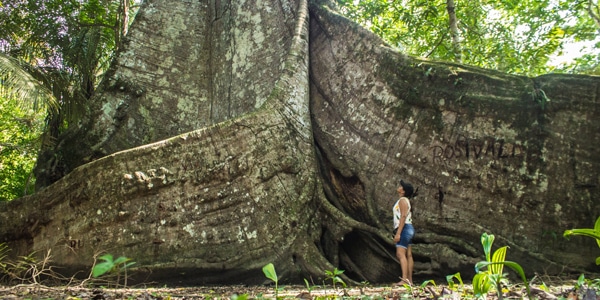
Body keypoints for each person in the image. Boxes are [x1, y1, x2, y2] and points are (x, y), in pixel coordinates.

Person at [393, 179, 417, 286]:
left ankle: (404, 280)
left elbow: (403, 216)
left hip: (405, 228)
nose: (399, 187)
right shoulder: (406, 200)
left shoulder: (402, 200)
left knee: (400, 254)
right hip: (409, 228)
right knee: (409, 255)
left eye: (401, 186)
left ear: (403, 191)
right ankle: (410, 281)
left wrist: (398, 233)